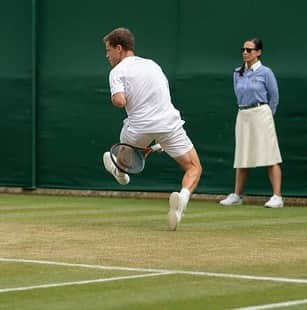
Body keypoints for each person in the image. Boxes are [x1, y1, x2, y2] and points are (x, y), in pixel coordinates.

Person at [102, 27, 203, 230]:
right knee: (194, 167)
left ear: (119, 48)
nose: (107, 55)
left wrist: (117, 98)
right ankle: (182, 200)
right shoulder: (153, 65)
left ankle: (120, 173)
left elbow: (120, 100)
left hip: (138, 129)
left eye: (108, 50)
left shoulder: (117, 71)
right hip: (168, 124)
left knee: (124, 155)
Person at [219, 38, 283, 208]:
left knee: (270, 155)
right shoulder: (237, 73)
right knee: (242, 156)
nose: (245, 53)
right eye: (244, 50)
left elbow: (274, 97)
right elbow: (237, 94)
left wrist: (268, 115)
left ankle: (277, 197)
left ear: (258, 52)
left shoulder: (266, 72)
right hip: (243, 114)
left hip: (261, 113)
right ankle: (237, 195)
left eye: (249, 50)